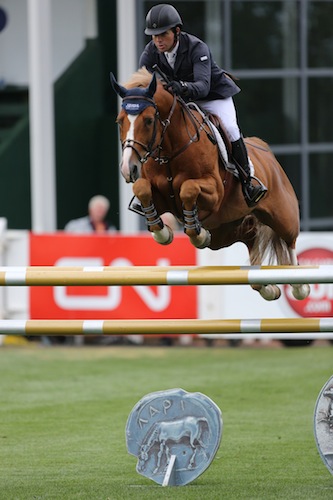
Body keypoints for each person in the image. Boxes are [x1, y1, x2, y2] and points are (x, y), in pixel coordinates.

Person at [139, 3, 267, 207]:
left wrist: (180, 86)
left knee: (231, 128)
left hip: (212, 96)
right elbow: (143, 83)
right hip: (182, 101)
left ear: (177, 31)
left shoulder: (197, 48)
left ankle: (248, 180)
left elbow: (203, 87)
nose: (158, 40)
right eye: (154, 36)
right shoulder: (150, 52)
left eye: (162, 34)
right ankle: (150, 186)